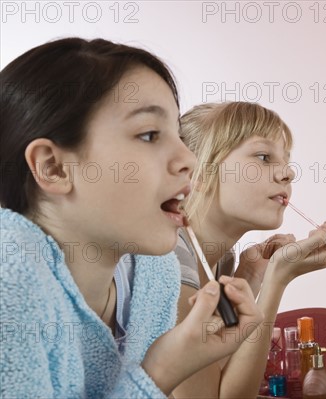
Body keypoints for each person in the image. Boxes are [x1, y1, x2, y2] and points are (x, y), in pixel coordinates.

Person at [0, 38, 262, 398]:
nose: (188, 159)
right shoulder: (9, 278)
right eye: (150, 134)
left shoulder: (155, 281)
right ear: (54, 167)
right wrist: (159, 373)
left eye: (178, 135)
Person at [173, 102, 326, 398]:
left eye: (286, 160)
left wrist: (250, 277)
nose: (288, 174)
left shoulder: (220, 261)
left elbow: (225, 385)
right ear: (197, 173)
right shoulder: (168, 259)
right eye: (264, 156)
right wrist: (276, 281)